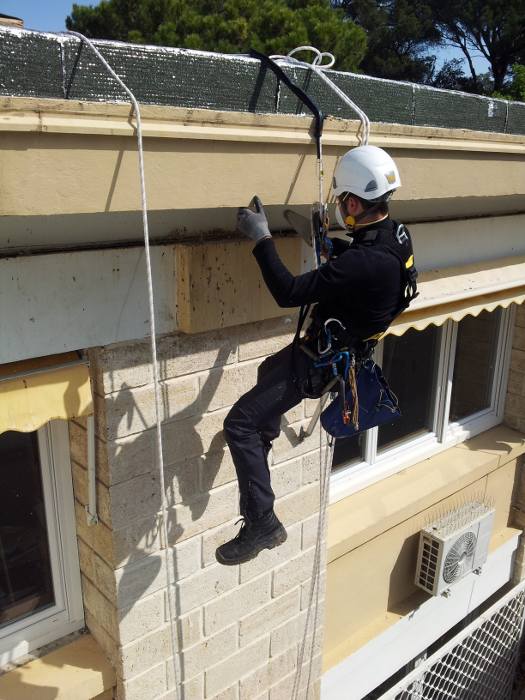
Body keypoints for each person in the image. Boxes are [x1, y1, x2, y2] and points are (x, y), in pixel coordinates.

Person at [215, 145, 416, 566]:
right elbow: (368, 265)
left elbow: (288, 292)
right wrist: (333, 247)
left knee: (238, 424)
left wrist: (262, 238)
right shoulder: (395, 235)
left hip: (318, 363)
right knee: (268, 371)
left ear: (358, 203)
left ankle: (262, 522)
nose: (340, 208)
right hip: (338, 351)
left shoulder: (364, 262)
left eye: (343, 201)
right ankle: (259, 447)